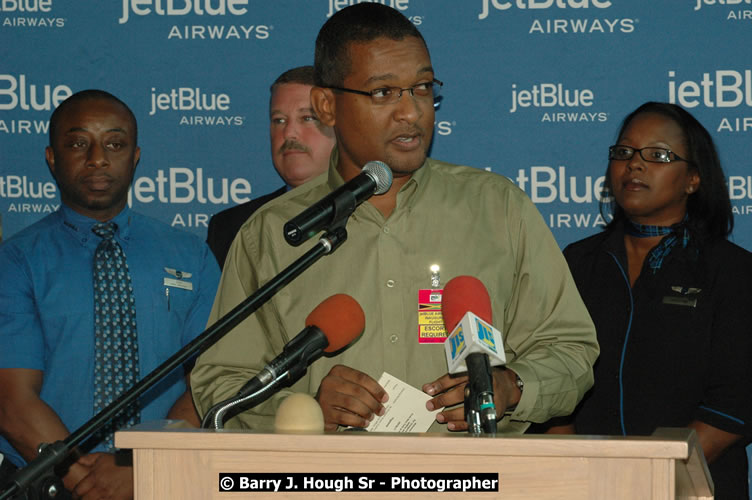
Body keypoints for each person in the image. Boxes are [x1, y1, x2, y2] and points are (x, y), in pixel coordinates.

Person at [191, 3, 598, 434]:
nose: (412, 112)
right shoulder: (272, 233)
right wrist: (305, 412)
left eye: (422, 88)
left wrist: (511, 386)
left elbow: (570, 348)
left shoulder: (499, 208)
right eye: (383, 93)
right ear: (327, 106)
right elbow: (219, 383)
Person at [0, 90, 220, 499]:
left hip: (163, 478)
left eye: (114, 144)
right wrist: (83, 478)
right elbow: (12, 400)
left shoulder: (191, 255)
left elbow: (210, 381)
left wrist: (141, 465)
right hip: (45, 483)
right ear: (51, 157)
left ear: (135, 157)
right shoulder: (14, 262)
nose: (97, 157)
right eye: (78, 143)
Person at [546, 102, 752, 499]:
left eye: (658, 155)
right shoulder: (577, 262)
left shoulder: (732, 272)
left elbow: (734, 402)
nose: (634, 165)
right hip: (585, 487)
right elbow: (552, 375)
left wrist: (645, 477)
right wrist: (575, 472)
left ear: (693, 178)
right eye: (624, 153)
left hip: (691, 488)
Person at [206, 65, 336, 269]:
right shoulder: (231, 228)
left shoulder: (376, 215)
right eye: (279, 120)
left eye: (308, 118)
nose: (289, 133)